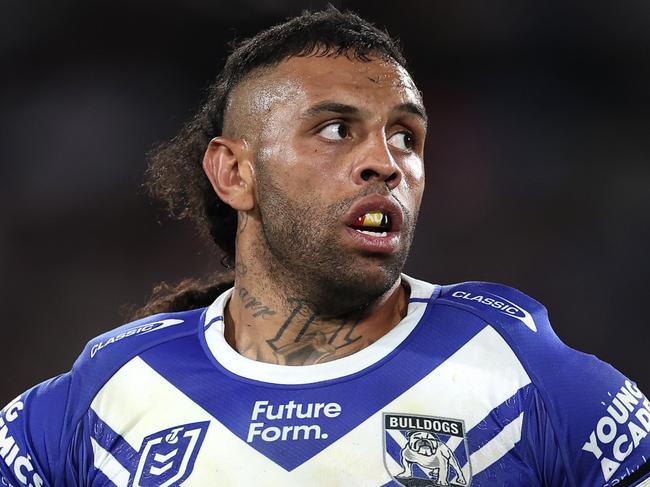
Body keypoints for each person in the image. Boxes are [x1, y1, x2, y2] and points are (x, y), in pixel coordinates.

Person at [1, 8, 648, 487]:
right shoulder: (105, 397)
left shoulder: (523, 372)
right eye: (337, 129)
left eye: (405, 136)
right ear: (234, 172)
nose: (386, 163)